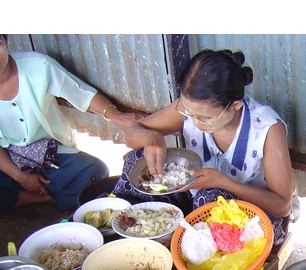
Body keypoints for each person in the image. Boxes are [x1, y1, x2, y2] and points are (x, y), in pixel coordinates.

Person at [114, 49, 294, 244]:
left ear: (235, 106)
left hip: (255, 216)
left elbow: (282, 206)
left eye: (204, 118)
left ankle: (190, 242)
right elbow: (131, 133)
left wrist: (223, 183)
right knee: (137, 160)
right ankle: (141, 231)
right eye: (189, 113)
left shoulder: (267, 127)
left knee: (210, 199)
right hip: (196, 199)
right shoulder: (192, 109)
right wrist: (150, 137)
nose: (195, 122)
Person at [0, 34, 138, 218]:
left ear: (6, 42)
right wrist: (20, 177)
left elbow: (80, 93)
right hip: (7, 159)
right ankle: (41, 198)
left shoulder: (38, 66)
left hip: (52, 156)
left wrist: (116, 115)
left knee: (96, 171)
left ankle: (25, 194)